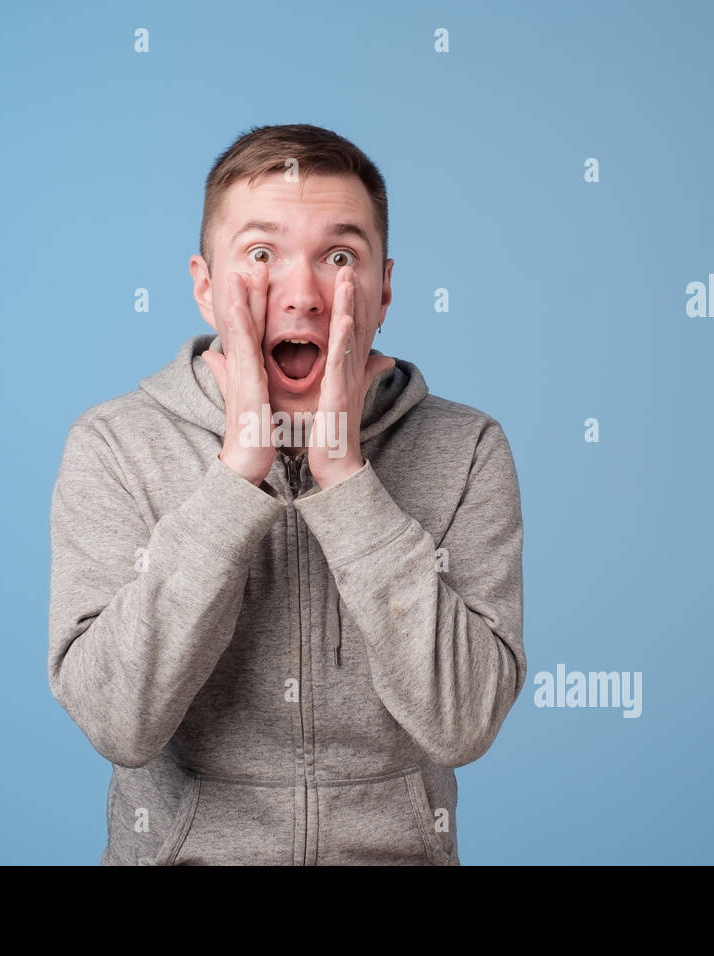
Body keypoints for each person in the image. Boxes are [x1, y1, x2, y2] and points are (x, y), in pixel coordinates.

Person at [48, 123, 526, 865]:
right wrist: (236, 477)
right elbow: (120, 722)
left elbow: (462, 724)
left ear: (384, 288)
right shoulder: (114, 444)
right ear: (206, 288)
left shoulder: (467, 450)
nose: (302, 295)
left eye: (340, 257)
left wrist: (347, 478)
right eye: (262, 255)